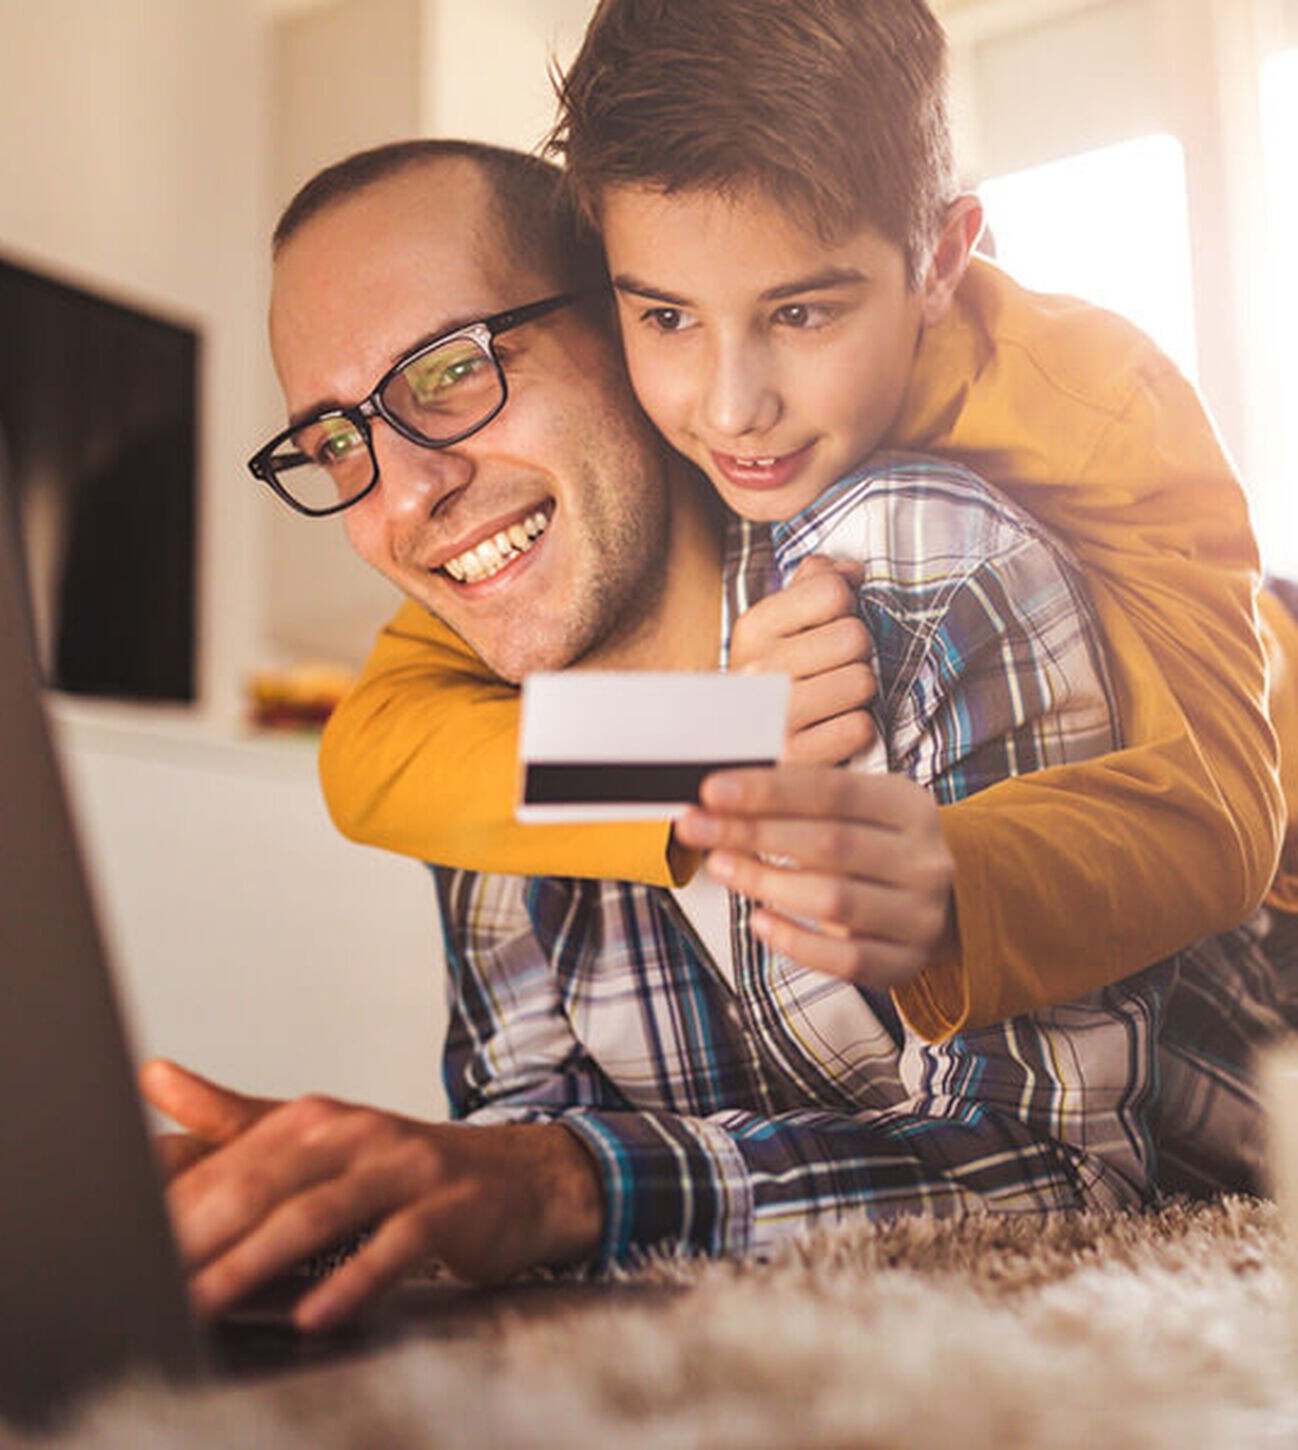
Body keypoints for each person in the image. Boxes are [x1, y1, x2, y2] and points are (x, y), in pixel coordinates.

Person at [147, 142, 1287, 1336]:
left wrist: (562, 1185)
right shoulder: (481, 710)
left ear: (636, 330)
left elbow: (1060, 1172)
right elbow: (527, 1152)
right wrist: (336, 1199)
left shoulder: (922, 543)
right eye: (334, 442)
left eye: (450, 369)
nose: (398, 497)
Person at [315, 0, 1298, 1042]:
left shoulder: (1102, 402)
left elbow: (1226, 812)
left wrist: (957, 877)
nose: (733, 405)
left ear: (940, 258)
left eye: (800, 313)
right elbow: (372, 752)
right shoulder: (649, 417)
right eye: (665, 314)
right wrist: (713, 735)